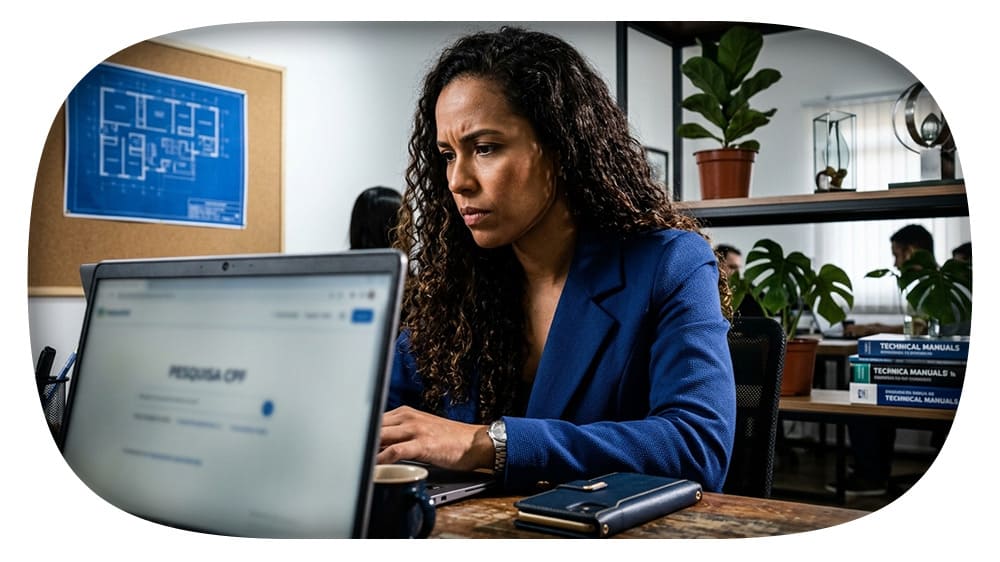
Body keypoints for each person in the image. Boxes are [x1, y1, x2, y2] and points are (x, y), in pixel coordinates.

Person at [376, 27, 736, 494]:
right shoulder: (458, 282)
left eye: (485, 148)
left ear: (560, 148)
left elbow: (697, 447)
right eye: (448, 155)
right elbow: (382, 411)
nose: (458, 181)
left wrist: (489, 443)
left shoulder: (669, 263)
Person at [835, 224, 935, 496]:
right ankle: (873, 469)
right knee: (866, 382)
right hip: (932, 367)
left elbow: (920, 328)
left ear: (911, 251)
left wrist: (874, 327)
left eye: (897, 254)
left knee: (860, 389)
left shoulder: (929, 284)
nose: (894, 262)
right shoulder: (932, 282)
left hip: (936, 372)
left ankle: (871, 475)